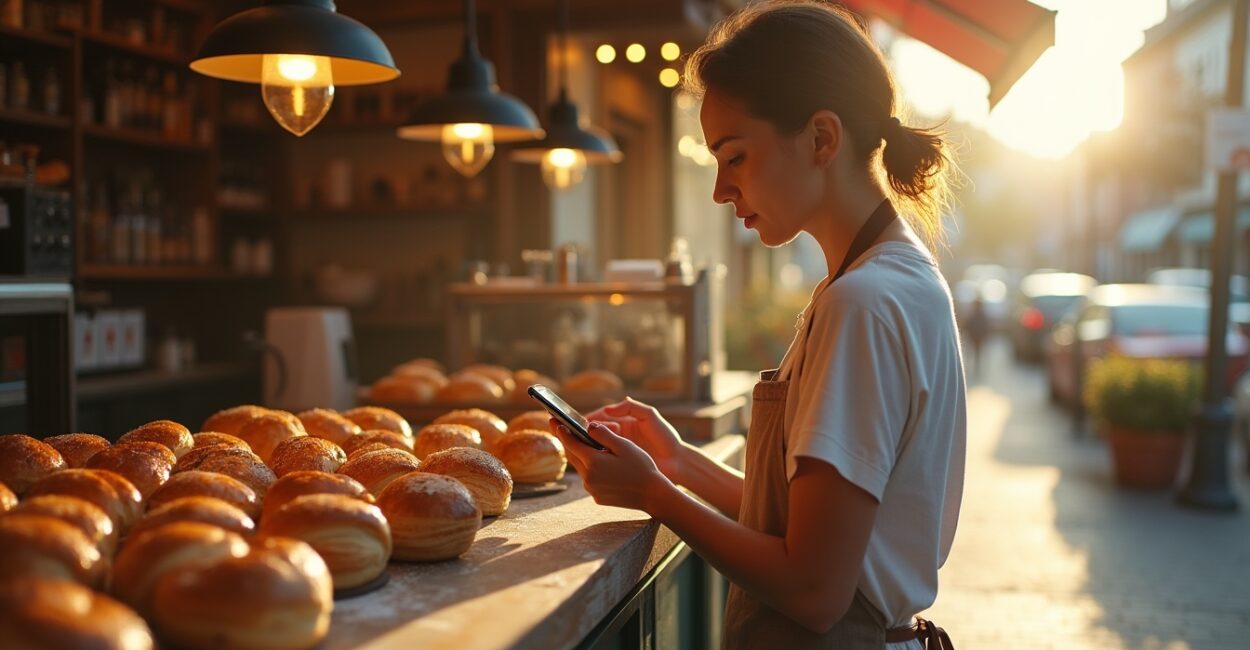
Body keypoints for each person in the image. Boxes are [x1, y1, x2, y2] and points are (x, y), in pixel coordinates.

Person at [550, 2, 966, 649]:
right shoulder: (887, 278)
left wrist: (655, 494)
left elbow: (814, 591)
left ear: (822, 139)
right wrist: (682, 463)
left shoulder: (864, 303)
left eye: (735, 157)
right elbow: (816, 532)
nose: (720, 188)